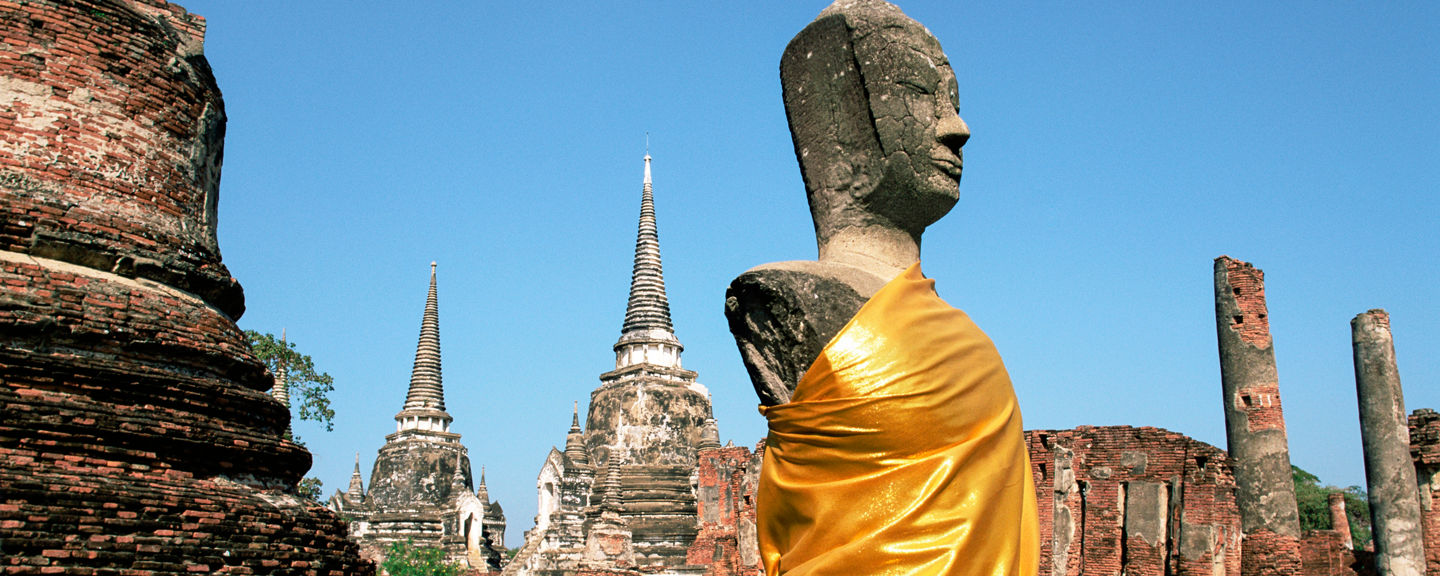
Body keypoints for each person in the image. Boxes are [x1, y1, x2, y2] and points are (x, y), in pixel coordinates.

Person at [724, 1, 1039, 574]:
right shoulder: (788, 297)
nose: (956, 127)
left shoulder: (970, 341)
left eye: (954, 101)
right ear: (840, 121)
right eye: (920, 95)